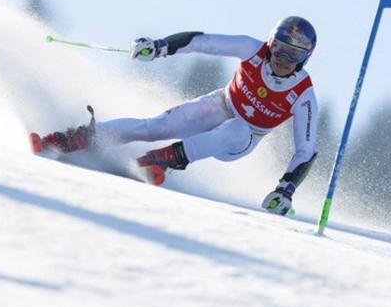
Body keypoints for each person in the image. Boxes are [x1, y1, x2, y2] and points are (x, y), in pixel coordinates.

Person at [30, 16, 320, 216]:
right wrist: (159, 47)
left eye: (292, 55)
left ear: (305, 58)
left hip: (243, 138)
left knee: (236, 129)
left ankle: (160, 160)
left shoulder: (304, 96)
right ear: (271, 44)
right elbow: (202, 41)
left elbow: (305, 151)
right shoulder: (251, 49)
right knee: (157, 125)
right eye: (279, 49)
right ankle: (77, 138)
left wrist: (285, 190)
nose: (282, 60)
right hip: (220, 104)